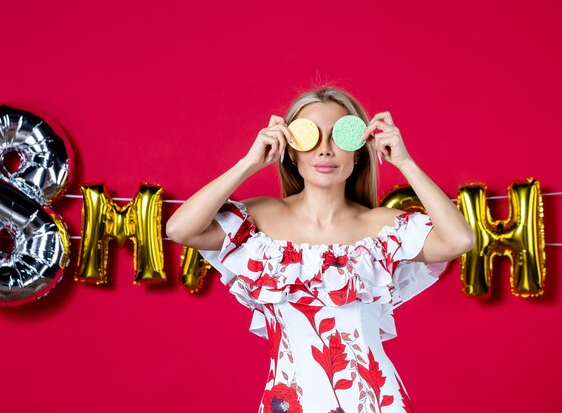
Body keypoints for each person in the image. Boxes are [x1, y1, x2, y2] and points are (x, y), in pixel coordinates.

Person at [166, 86, 475, 413]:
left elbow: (459, 240)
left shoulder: (381, 227)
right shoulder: (260, 221)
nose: (325, 150)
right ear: (291, 149)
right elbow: (179, 229)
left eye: (340, 136)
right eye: (309, 136)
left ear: (358, 150)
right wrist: (248, 162)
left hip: (376, 403)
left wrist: (405, 162)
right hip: (286, 402)